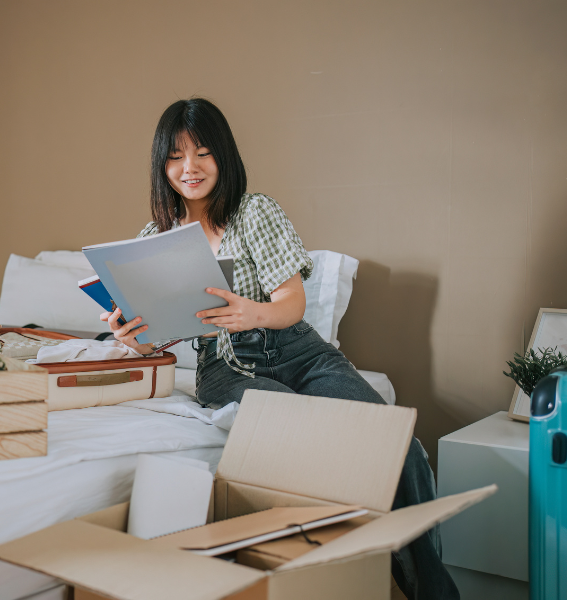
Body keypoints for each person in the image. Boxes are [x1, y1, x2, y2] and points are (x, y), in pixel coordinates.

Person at [100, 97, 458, 600]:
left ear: (223, 157)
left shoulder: (253, 211)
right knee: (312, 435)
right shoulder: (154, 239)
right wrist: (129, 336)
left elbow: (291, 302)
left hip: (297, 351)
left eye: (203, 153)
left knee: (400, 445)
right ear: (163, 166)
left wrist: (251, 312)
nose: (190, 168)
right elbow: (154, 337)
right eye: (176, 157)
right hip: (225, 369)